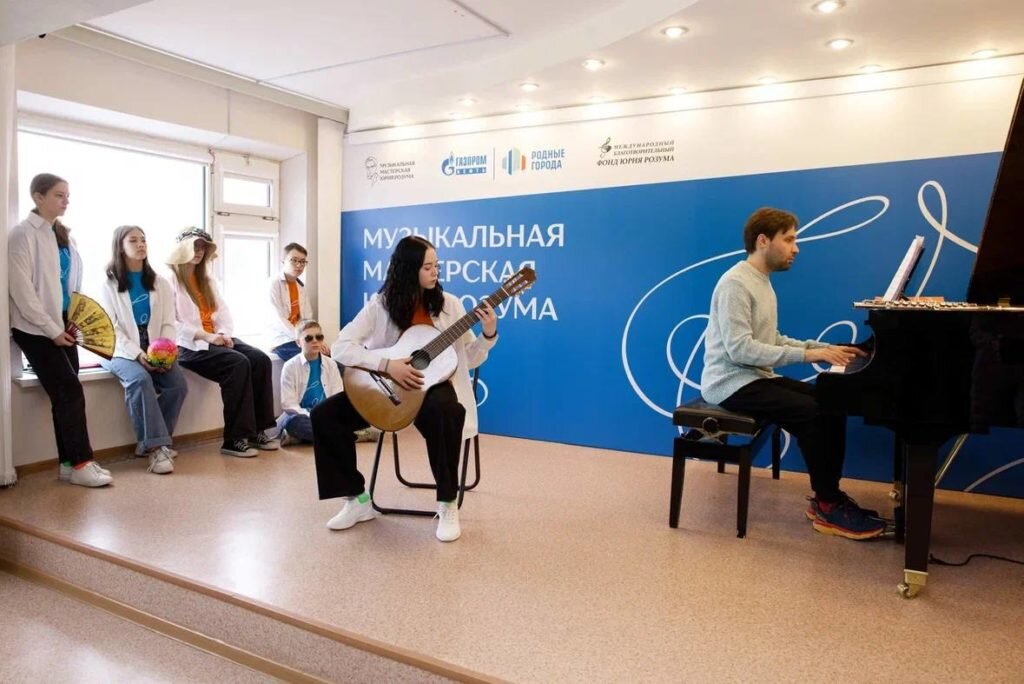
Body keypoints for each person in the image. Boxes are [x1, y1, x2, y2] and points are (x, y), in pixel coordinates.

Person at [700, 207, 886, 540]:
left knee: (831, 401)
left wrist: (826, 347)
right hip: (729, 383)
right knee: (812, 412)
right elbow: (740, 349)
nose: (795, 248)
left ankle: (827, 497)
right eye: (788, 240)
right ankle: (828, 504)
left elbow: (772, 339)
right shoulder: (735, 284)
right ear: (763, 241)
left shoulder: (762, 282)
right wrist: (809, 355)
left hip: (754, 377)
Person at [312, 235, 497, 542]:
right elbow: (342, 347)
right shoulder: (380, 305)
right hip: (386, 388)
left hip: (434, 386)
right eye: (427, 267)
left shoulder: (450, 305)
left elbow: (470, 359)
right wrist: (388, 365)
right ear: (409, 269)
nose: (435, 272)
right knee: (325, 416)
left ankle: (447, 503)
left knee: (448, 412)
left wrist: (488, 334)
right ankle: (357, 499)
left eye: (436, 265)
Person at [8, 173, 111, 487]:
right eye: (58, 195)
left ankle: (68, 463)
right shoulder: (22, 235)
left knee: (64, 395)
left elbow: (70, 284)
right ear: (38, 197)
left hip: (64, 323)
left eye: (67, 195)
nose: (66, 200)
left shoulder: (64, 236)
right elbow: (22, 291)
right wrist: (52, 329)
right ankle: (82, 463)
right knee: (70, 391)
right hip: (35, 327)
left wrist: (69, 322)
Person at [166, 227, 279, 457]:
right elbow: (171, 325)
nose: (199, 251)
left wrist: (223, 334)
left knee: (260, 360)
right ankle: (234, 439)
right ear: (182, 249)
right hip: (188, 345)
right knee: (237, 364)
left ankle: (257, 431)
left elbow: (224, 315)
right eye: (194, 246)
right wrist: (207, 337)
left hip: (217, 338)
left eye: (202, 247)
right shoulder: (169, 282)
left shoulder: (208, 281)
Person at [98, 225, 188, 475]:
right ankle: (157, 448)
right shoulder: (108, 285)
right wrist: (138, 354)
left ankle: (153, 442)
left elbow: (168, 323)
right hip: (117, 347)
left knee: (177, 385)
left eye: (144, 240)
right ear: (120, 247)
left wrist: (166, 352)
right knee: (139, 379)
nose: (141, 245)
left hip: (155, 344)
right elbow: (112, 329)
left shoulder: (160, 283)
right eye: (133, 241)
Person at [276, 319, 343, 446]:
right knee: (293, 422)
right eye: (308, 338)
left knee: (349, 414)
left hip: (326, 415)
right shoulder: (290, 366)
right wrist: (312, 415)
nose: (315, 341)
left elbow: (337, 396)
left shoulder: (331, 364)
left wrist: (327, 416)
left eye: (319, 337)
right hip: (303, 416)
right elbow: (288, 404)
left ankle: (299, 438)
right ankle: (346, 435)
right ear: (298, 342)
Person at [266, 243, 312, 362]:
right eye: (294, 260)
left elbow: (307, 318)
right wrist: (302, 337)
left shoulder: (301, 287)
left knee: (329, 358)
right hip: (281, 340)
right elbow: (279, 319)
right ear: (283, 261)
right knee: (314, 360)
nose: (299, 265)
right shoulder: (274, 284)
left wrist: (314, 338)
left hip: (299, 338)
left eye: (302, 261)